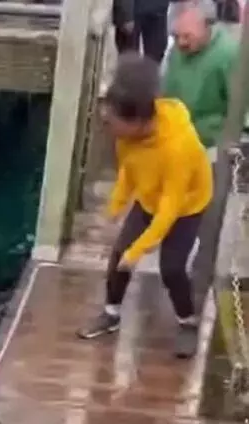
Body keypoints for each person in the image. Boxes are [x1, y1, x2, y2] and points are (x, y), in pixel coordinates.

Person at [77, 53, 213, 359]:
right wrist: (114, 208)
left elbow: (170, 208)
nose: (106, 122)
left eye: (113, 119)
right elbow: (130, 170)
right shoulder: (127, 136)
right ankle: (111, 314)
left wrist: (138, 251)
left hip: (186, 205)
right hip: (150, 195)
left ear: (138, 121)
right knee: (118, 254)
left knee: (172, 267)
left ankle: (187, 321)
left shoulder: (179, 147)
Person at [162, 0, 238, 160]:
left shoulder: (229, 54)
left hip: (212, 148)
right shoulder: (176, 52)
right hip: (175, 140)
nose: (181, 42)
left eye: (187, 36)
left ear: (207, 26)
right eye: (175, 36)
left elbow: (241, 111)